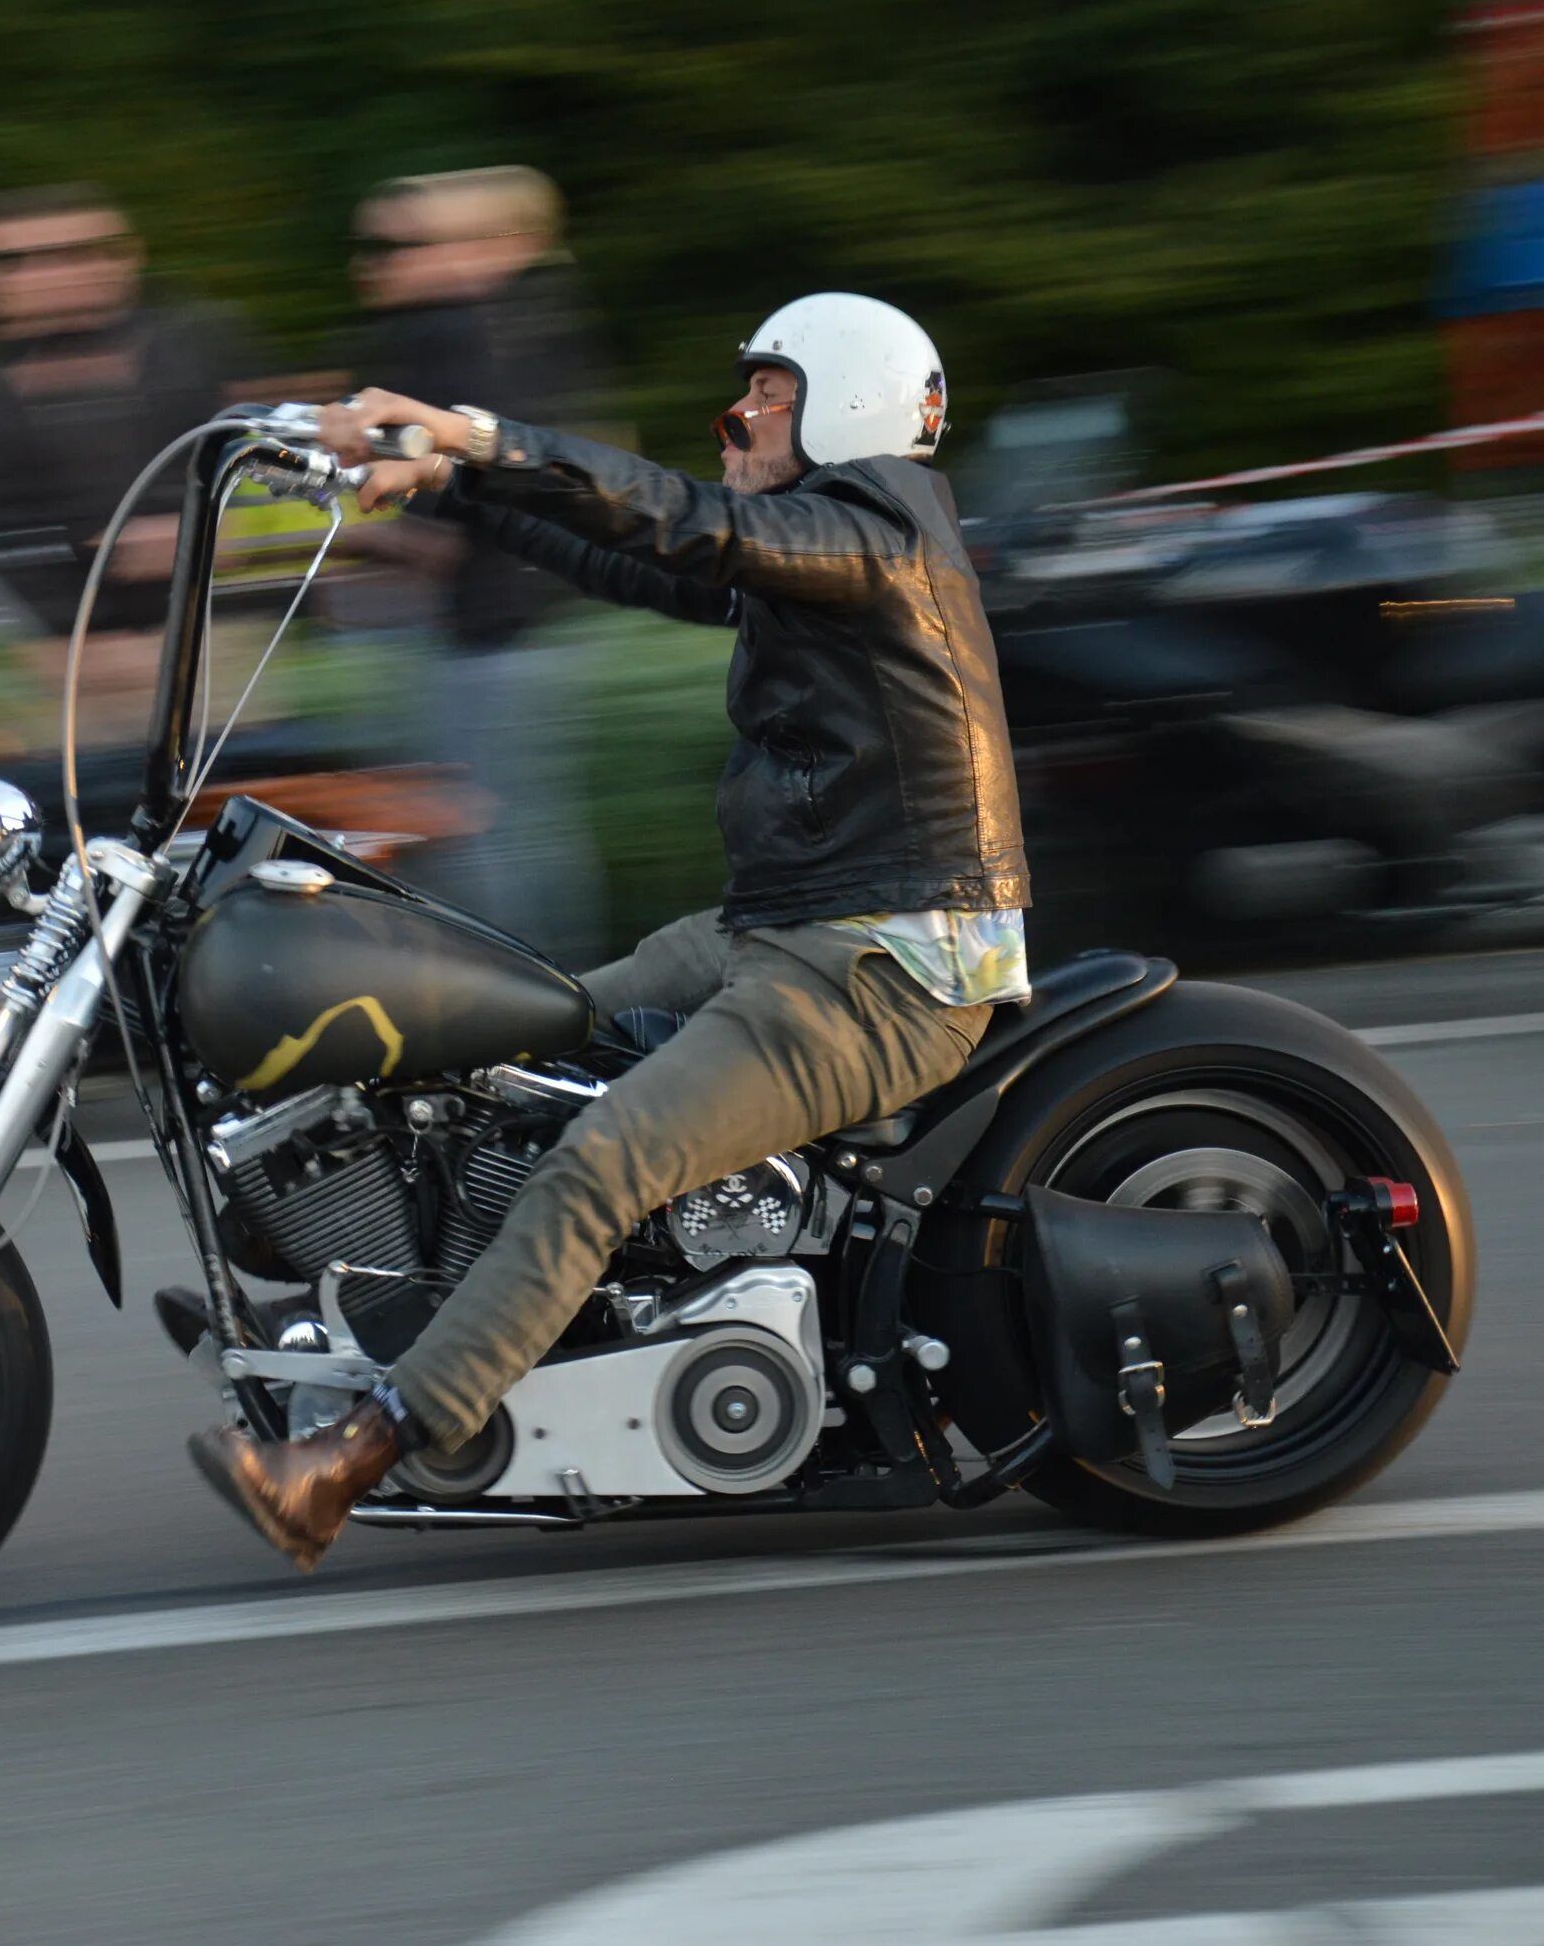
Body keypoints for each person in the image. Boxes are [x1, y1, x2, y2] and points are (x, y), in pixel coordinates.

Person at [187, 293, 1034, 1569]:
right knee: (512, 1034)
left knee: (602, 1157)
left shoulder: (881, 534)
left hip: (885, 972)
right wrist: (443, 490)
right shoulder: (820, 557)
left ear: (848, 399)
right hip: (788, 931)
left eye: (770, 387)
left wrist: (477, 434)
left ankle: (360, 1451)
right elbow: (630, 555)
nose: (739, 411)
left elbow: (685, 524)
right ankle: (380, 1292)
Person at [333, 167, 615, 963]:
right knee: (509, 823)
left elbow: (474, 486)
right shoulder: (534, 320)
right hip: (517, 618)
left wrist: (376, 535)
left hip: (491, 628)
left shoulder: (468, 333)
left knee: (487, 828)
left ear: (501, 244)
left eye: (403, 245)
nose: (377, 264)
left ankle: (539, 1006)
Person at [0, 184, 253, 644]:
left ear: (129, 257)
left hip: (242, 634)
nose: (50, 275)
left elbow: (307, 475)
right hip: (63, 655)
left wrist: (227, 530)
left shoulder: (204, 347)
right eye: (12, 262)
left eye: (80, 253)